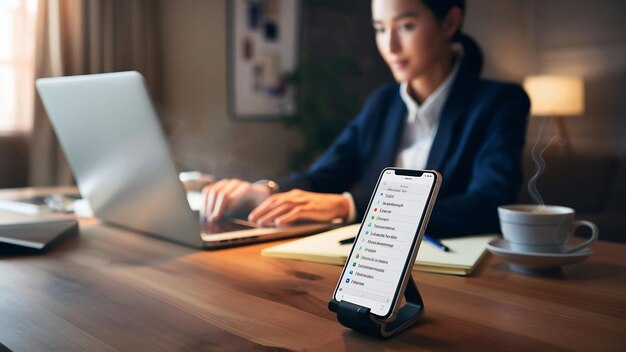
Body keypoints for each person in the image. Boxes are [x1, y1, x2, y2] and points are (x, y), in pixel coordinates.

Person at [201, 0, 530, 237]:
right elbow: (325, 175)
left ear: (449, 23)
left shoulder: (499, 103)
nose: (390, 45)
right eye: (380, 29)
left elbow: (489, 206)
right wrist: (264, 191)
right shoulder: (383, 103)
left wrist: (350, 207)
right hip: (375, 269)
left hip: (458, 278)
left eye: (406, 26)